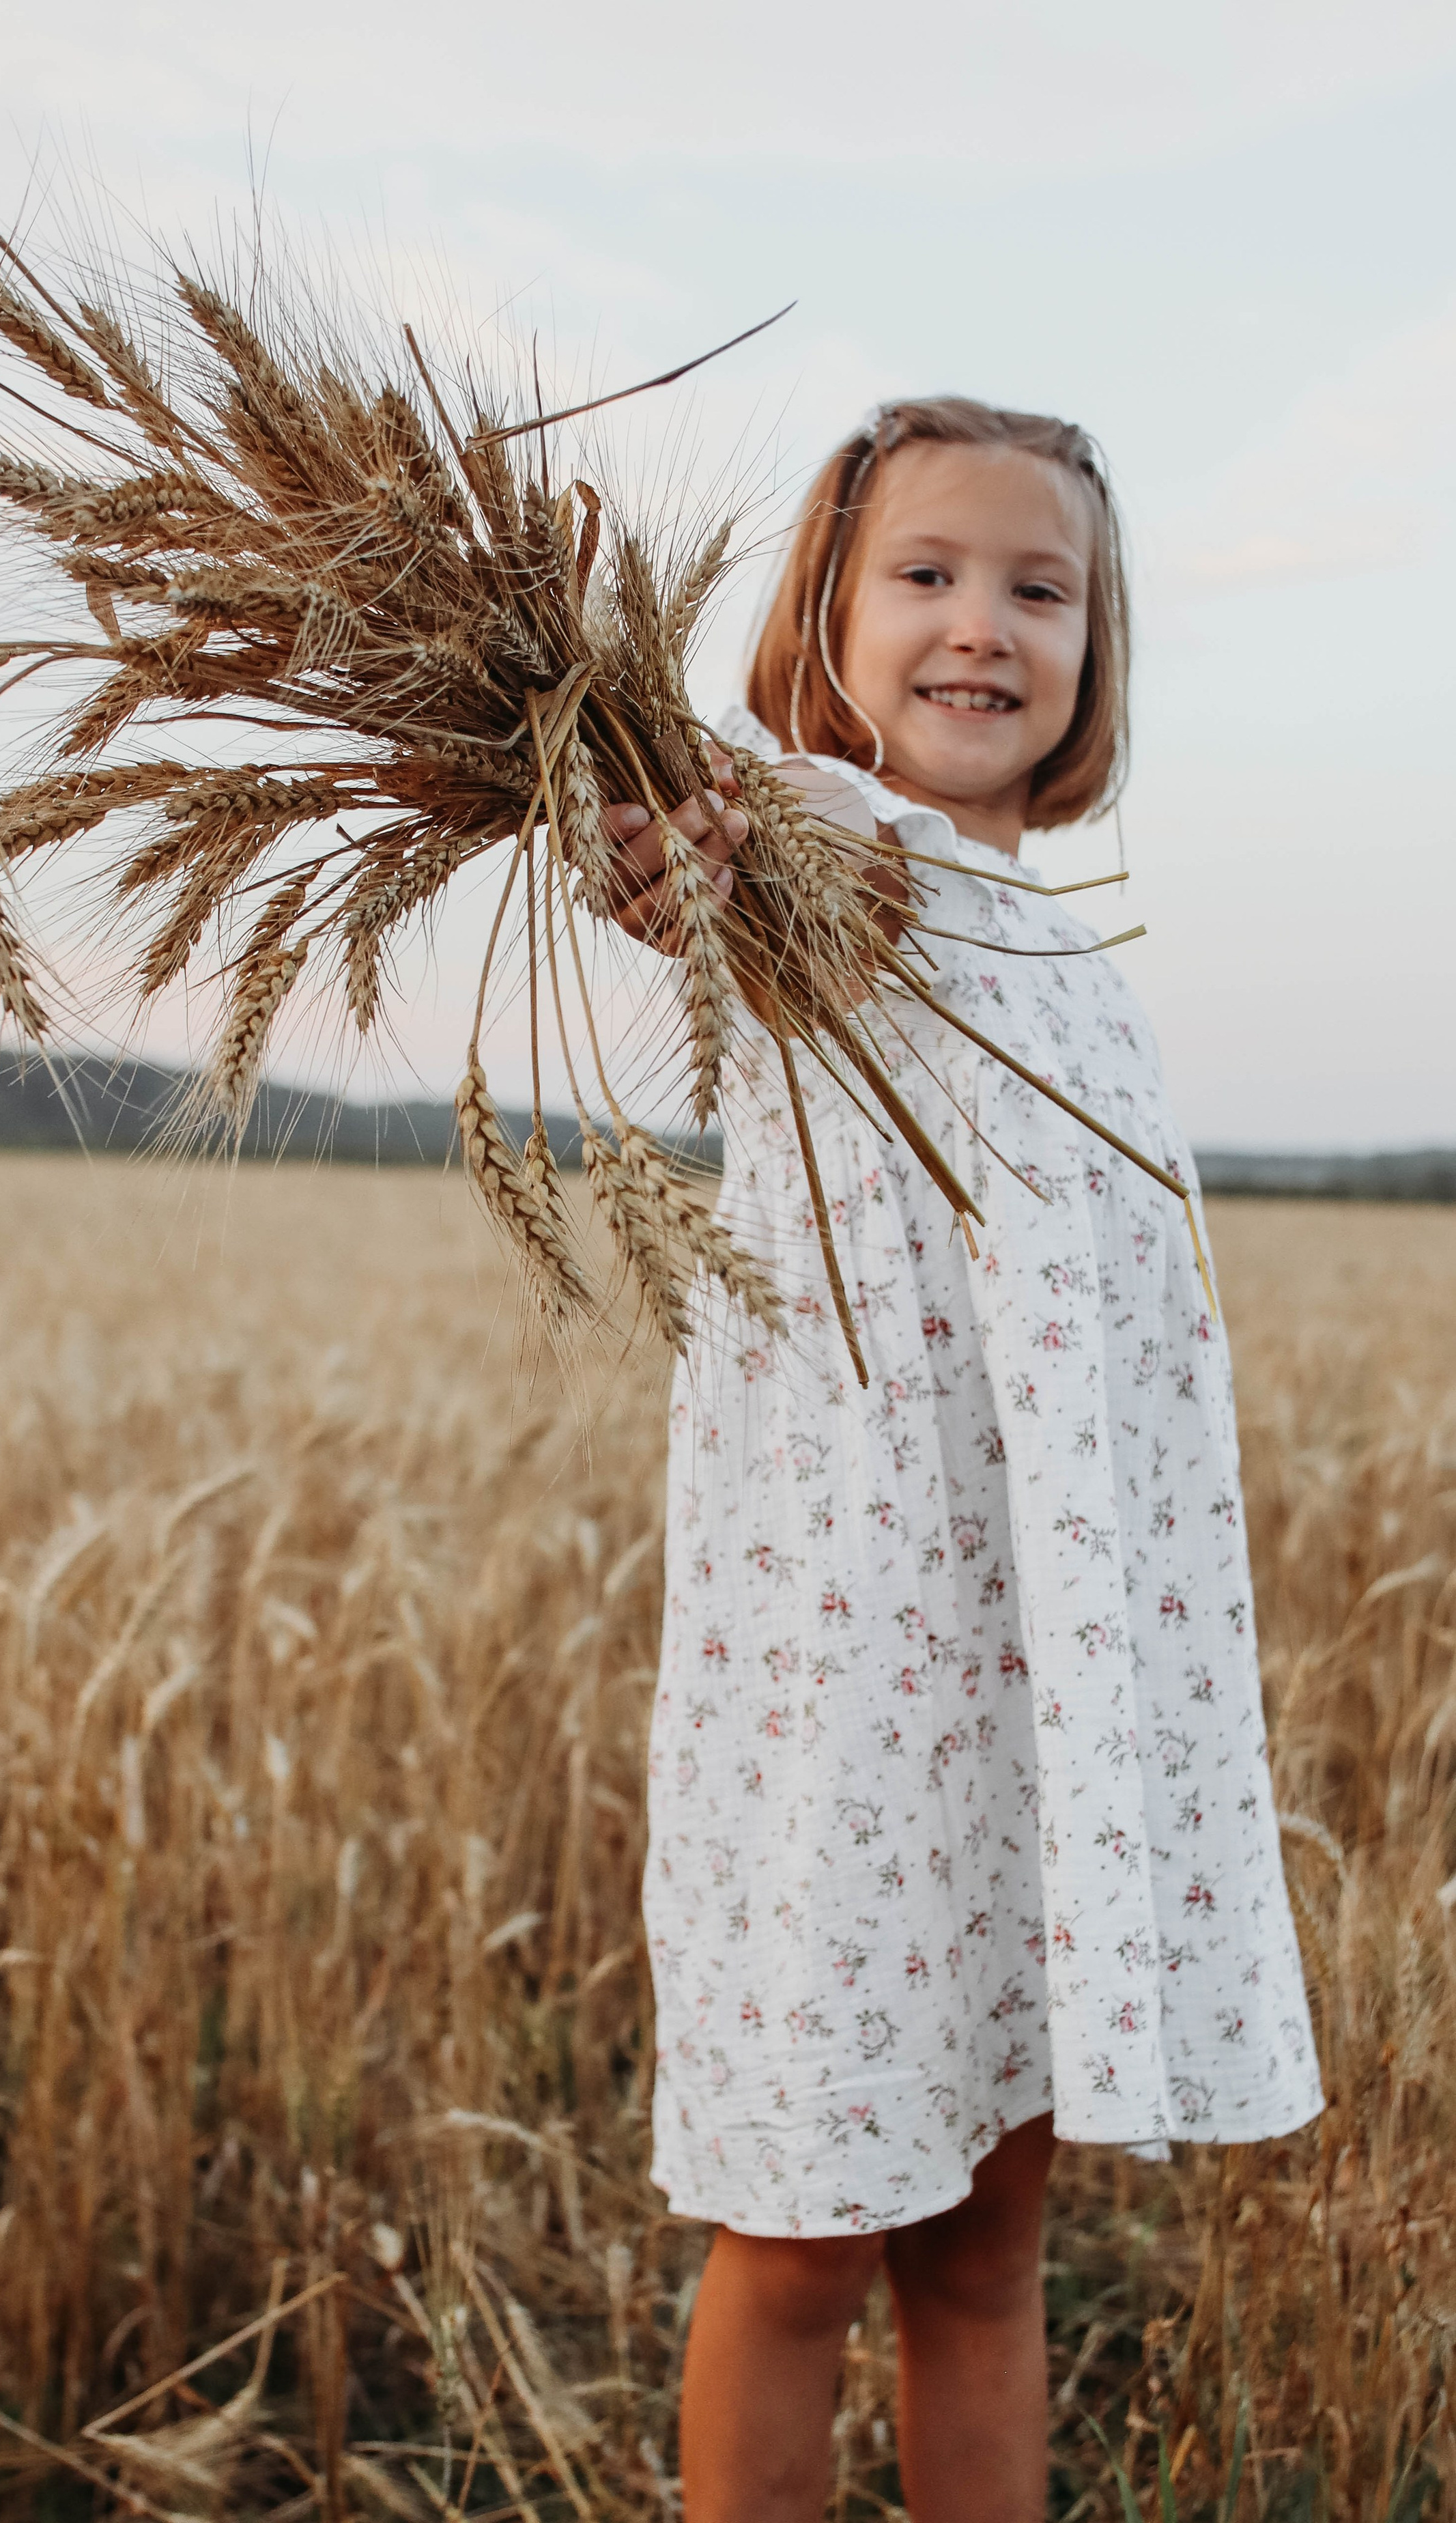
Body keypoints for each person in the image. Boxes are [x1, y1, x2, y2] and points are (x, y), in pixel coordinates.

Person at [600, 397, 1322, 2523]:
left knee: (993, 2249)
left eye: (1040, 589)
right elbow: (675, 866)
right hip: (855, 1695)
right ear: (826, 620)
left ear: (1099, 650)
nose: (981, 626)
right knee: (805, 2236)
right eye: (925, 576)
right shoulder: (820, 855)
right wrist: (652, 841)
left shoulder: (1076, 960)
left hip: (1044, 1705)